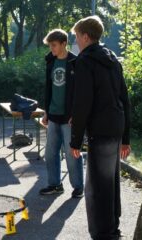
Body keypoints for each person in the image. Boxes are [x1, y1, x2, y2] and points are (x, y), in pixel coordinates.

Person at [69, 16, 131, 240]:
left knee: (97, 187)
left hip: (100, 130)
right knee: (111, 183)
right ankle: (112, 234)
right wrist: (126, 137)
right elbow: (124, 99)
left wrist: (75, 140)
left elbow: (82, 103)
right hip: (115, 127)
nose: (76, 41)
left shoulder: (85, 61)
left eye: (76, 37)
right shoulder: (112, 59)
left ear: (85, 36)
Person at [40, 29, 84, 198]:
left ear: (64, 44)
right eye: (50, 45)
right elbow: (49, 89)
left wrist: (76, 114)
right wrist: (46, 112)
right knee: (50, 153)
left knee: (72, 153)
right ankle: (55, 185)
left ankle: (78, 187)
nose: (51, 48)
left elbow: (80, 92)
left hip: (69, 118)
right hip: (53, 115)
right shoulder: (50, 61)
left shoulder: (76, 62)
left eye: (54, 45)